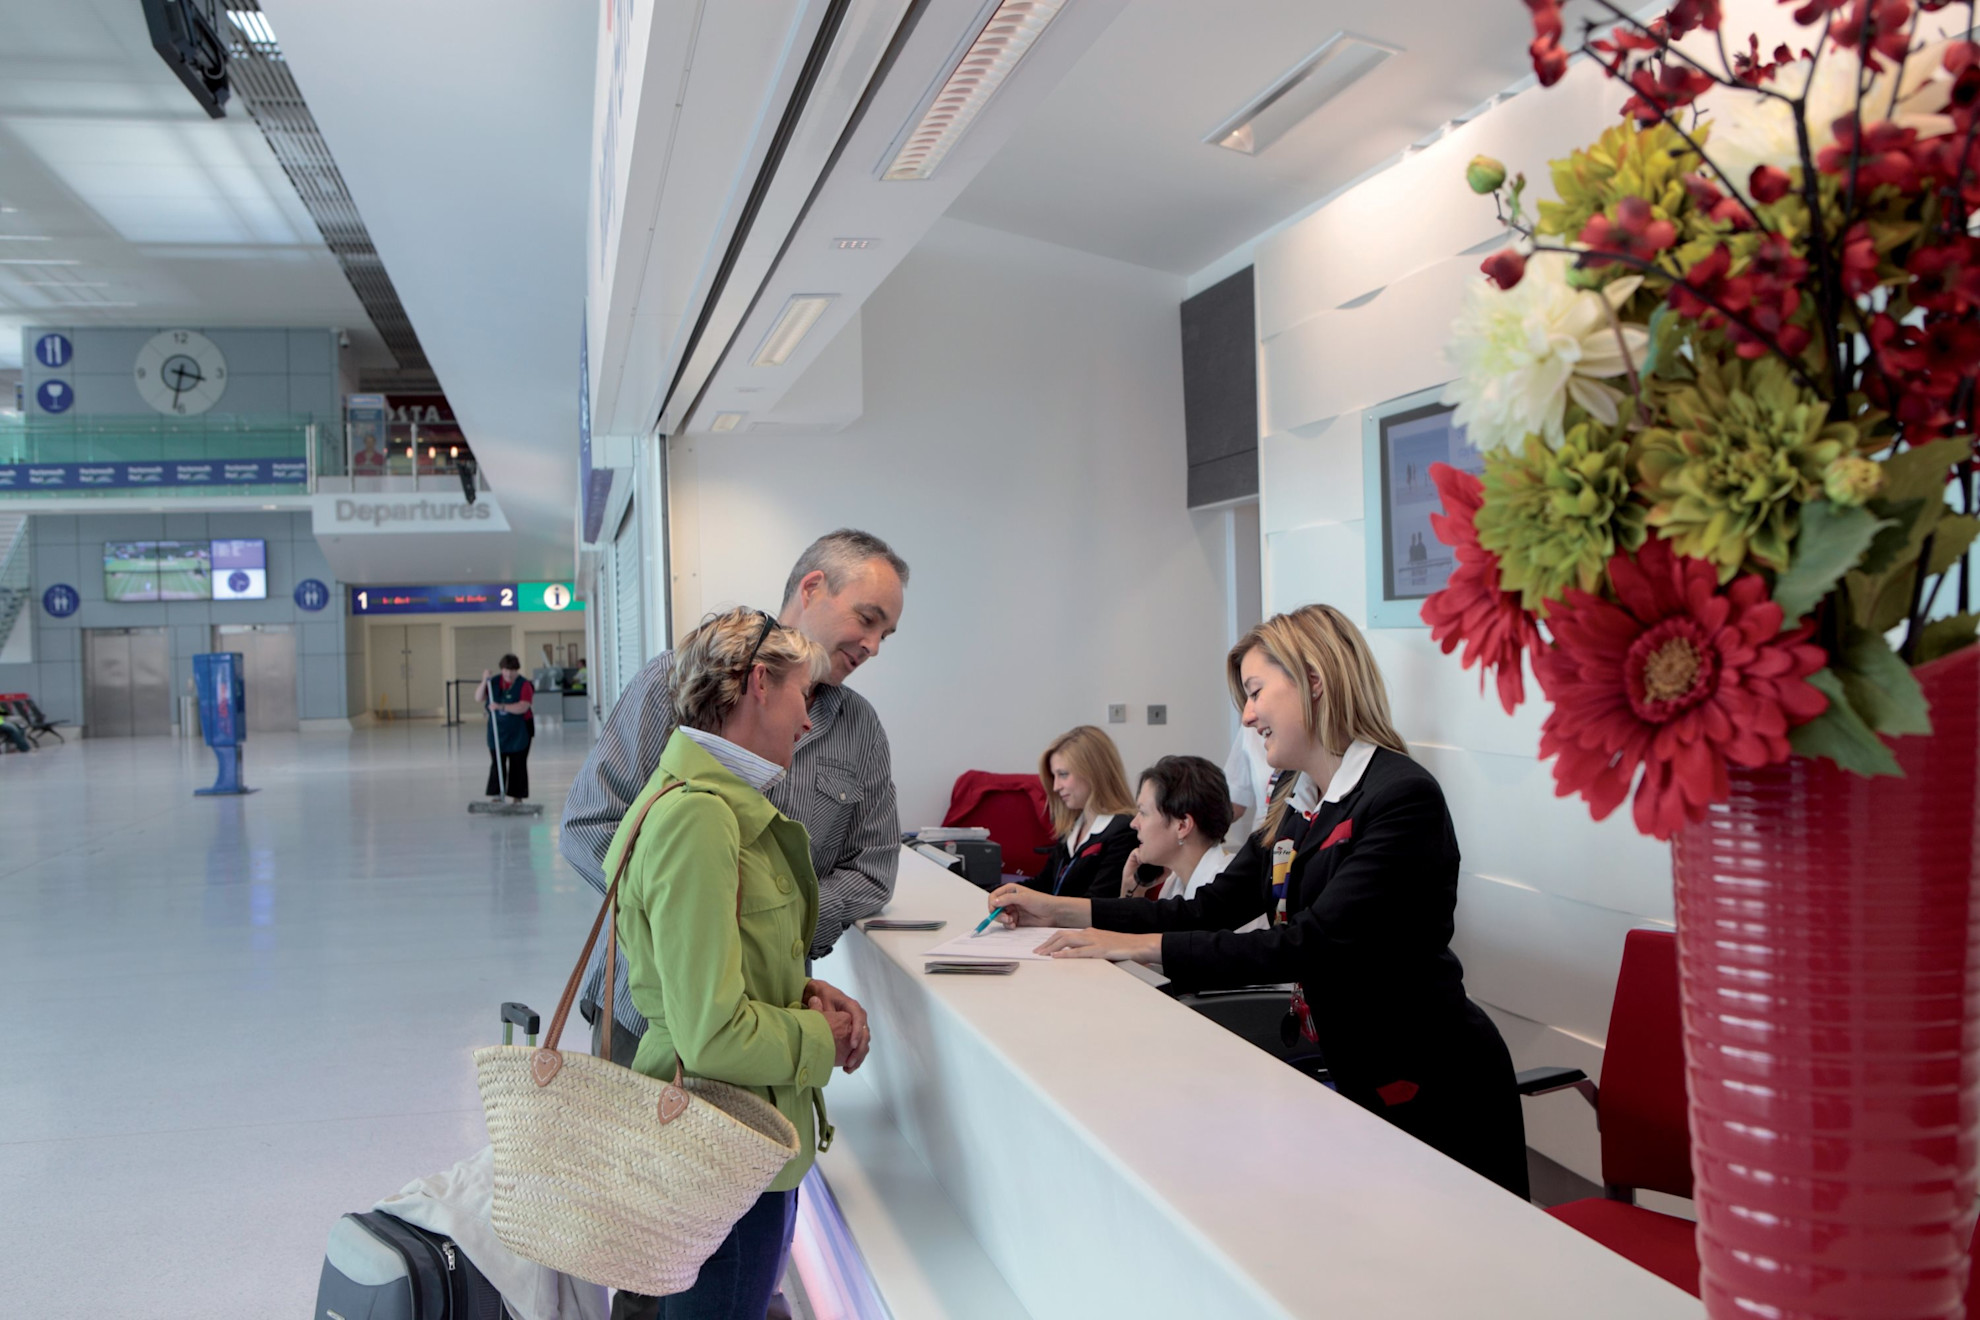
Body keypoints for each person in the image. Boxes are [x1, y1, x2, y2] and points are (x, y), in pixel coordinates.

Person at [987, 604, 1529, 1198]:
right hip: (1356, 1067)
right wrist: (1063, 910)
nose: (1247, 716)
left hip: (1435, 1078)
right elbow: (1208, 907)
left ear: (1314, 680)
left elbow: (1311, 945)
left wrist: (1137, 947)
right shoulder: (1296, 799)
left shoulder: (1400, 796)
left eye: (1255, 692)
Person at [608, 606, 871, 1320]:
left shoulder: (707, 802)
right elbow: (712, 1034)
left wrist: (806, 991)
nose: (808, 722)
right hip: (724, 1155)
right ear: (759, 682)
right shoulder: (699, 818)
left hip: (735, 1148)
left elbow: (715, 968)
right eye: (801, 696)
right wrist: (826, 1038)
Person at [1026, 725, 1138, 900]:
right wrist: (996, 893)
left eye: (1063, 774)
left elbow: (1097, 905)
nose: (1055, 787)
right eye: (1054, 776)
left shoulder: (1125, 831)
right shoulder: (1074, 828)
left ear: (1093, 772)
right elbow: (1044, 884)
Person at [1118, 756, 1234, 902]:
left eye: (1143, 813)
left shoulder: (1228, 889)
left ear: (1182, 826)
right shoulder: (1175, 882)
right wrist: (1132, 890)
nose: (1134, 824)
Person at [476, 655, 533, 802]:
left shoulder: (524, 684)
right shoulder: (493, 682)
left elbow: (524, 706)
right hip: (497, 731)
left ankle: (517, 796)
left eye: (512, 670)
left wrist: (502, 706)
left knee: (518, 764)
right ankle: (496, 795)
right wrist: (484, 681)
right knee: (497, 763)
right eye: (506, 670)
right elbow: (478, 698)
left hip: (519, 731)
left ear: (517, 670)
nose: (508, 674)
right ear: (502, 669)